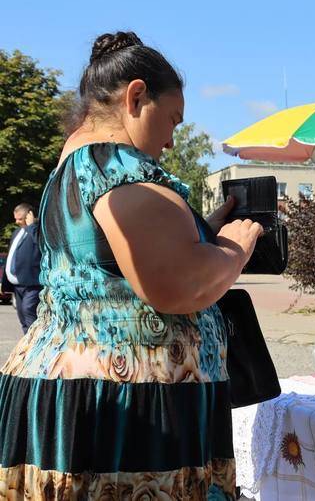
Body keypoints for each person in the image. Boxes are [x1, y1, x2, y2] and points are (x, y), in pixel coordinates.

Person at [0, 31, 262, 499]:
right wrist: (233, 250)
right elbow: (175, 286)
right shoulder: (120, 168)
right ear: (136, 97)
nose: (171, 138)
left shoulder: (73, 168)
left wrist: (204, 228)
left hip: (73, 388)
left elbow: (109, 261)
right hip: (125, 408)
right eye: (173, 120)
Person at [2, 203, 43, 334]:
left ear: (29, 215)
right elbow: (11, 256)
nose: (17, 222)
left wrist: (31, 226)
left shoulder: (38, 230)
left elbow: (41, 245)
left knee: (29, 312)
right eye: (16, 219)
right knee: (22, 317)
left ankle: (35, 346)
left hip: (32, 284)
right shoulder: (16, 232)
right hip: (17, 285)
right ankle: (28, 346)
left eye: (20, 219)